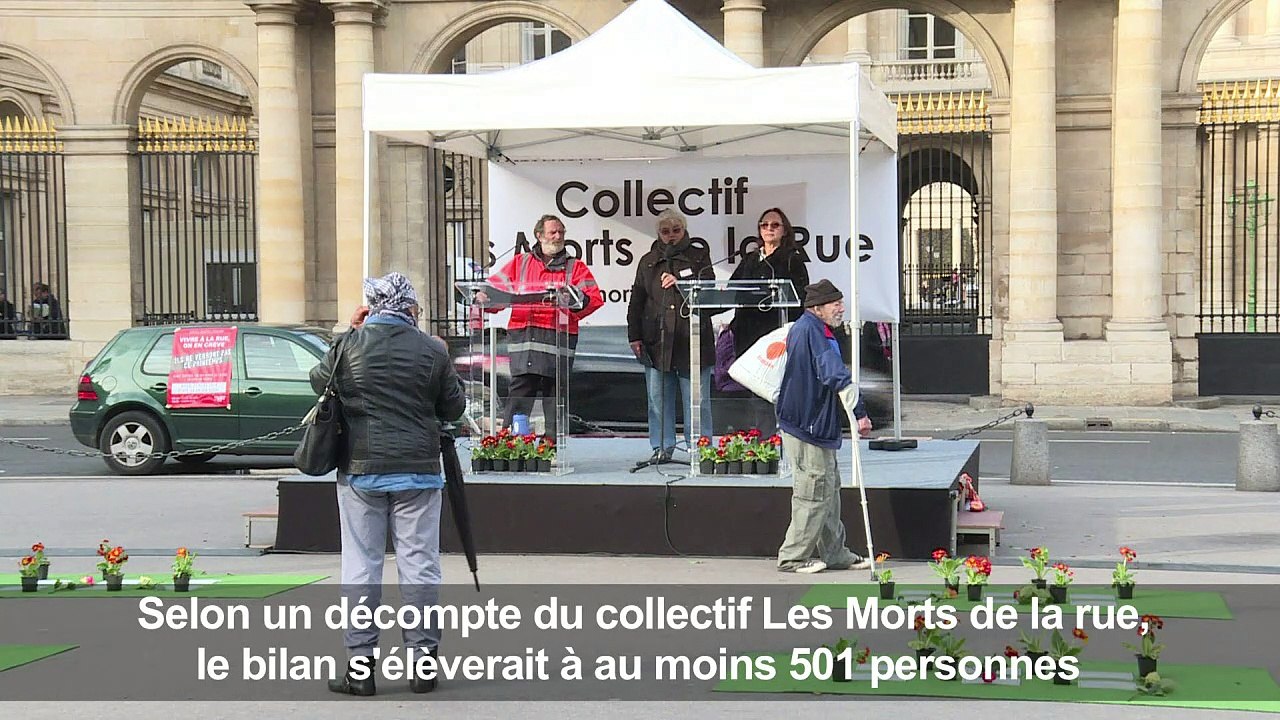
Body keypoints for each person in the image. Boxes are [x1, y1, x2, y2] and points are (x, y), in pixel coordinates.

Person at [311, 271, 467, 697]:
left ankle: (360, 669)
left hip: (361, 469)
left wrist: (347, 331)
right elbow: (454, 408)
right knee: (419, 564)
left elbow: (318, 381)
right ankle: (423, 664)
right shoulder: (431, 349)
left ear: (372, 306)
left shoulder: (349, 345)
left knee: (361, 566)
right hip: (419, 471)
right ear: (409, 306)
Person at [774, 279, 873, 574]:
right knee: (814, 491)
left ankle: (834, 552)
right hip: (808, 423)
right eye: (835, 304)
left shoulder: (809, 328)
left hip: (811, 423)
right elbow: (834, 373)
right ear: (818, 308)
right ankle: (793, 557)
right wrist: (859, 412)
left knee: (827, 490)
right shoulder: (814, 332)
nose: (841, 308)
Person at [475, 214, 604, 439]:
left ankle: (551, 447)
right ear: (539, 235)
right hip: (525, 343)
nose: (558, 236)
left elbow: (594, 299)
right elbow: (494, 292)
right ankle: (512, 446)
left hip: (557, 345)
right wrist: (482, 297)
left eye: (561, 232)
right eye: (553, 232)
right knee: (519, 400)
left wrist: (574, 300)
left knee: (554, 404)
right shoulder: (521, 263)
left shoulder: (575, 267)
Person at [626, 208, 715, 464]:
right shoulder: (648, 261)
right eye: (665, 232)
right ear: (658, 234)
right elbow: (637, 301)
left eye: (676, 230)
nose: (671, 236)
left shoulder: (698, 257)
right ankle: (662, 447)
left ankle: (701, 449)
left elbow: (709, 291)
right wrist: (634, 336)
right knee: (658, 400)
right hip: (657, 340)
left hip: (692, 340)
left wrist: (682, 283)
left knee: (697, 401)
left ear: (684, 230)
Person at [728, 208, 810, 435]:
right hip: (748, 332)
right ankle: (760, 438)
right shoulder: (750, 259)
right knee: (754, 392)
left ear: (785, 230)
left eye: (775, 225)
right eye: (764, 225)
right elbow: (733, 290)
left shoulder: (792, 259)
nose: (769, 229)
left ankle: (776, 439)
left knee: (774, 390)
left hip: (775, 334)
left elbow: (800, 297)